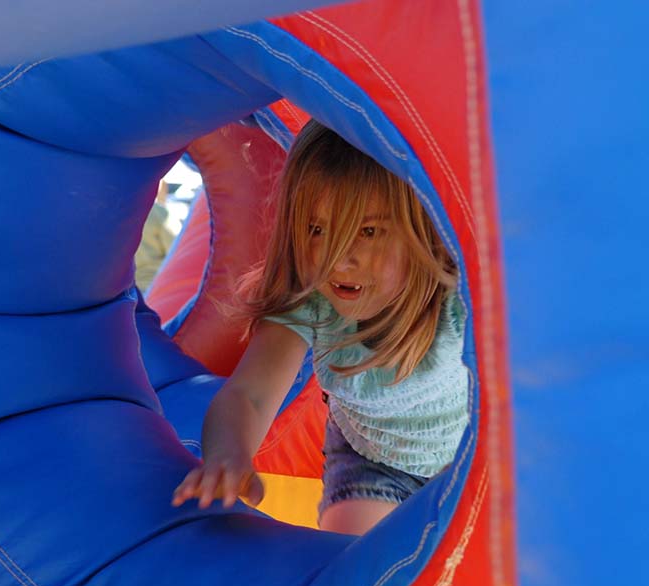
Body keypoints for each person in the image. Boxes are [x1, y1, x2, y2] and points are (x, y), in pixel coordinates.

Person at [172, 120, 468, 534]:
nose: (339, 258)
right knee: (357, 555)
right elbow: (250, 395)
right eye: (316, 230)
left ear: (422, 231)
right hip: (372, 462)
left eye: (368, 231)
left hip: (475, 451)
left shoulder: (456, 296)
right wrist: (228, 454)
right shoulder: (312, 303)